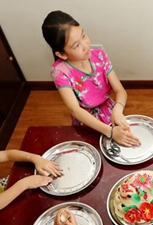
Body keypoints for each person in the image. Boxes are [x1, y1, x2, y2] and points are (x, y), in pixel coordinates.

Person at [42, 10, 139, 147]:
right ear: (62, 54)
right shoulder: (60, 72)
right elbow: (76, 110)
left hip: (110, 112)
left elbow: (120, 91)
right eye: (76, 45)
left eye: (83, 35)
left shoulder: (100, 56)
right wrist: (110, 132)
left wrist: (118, 109)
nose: (85, 45)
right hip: (86, 122)